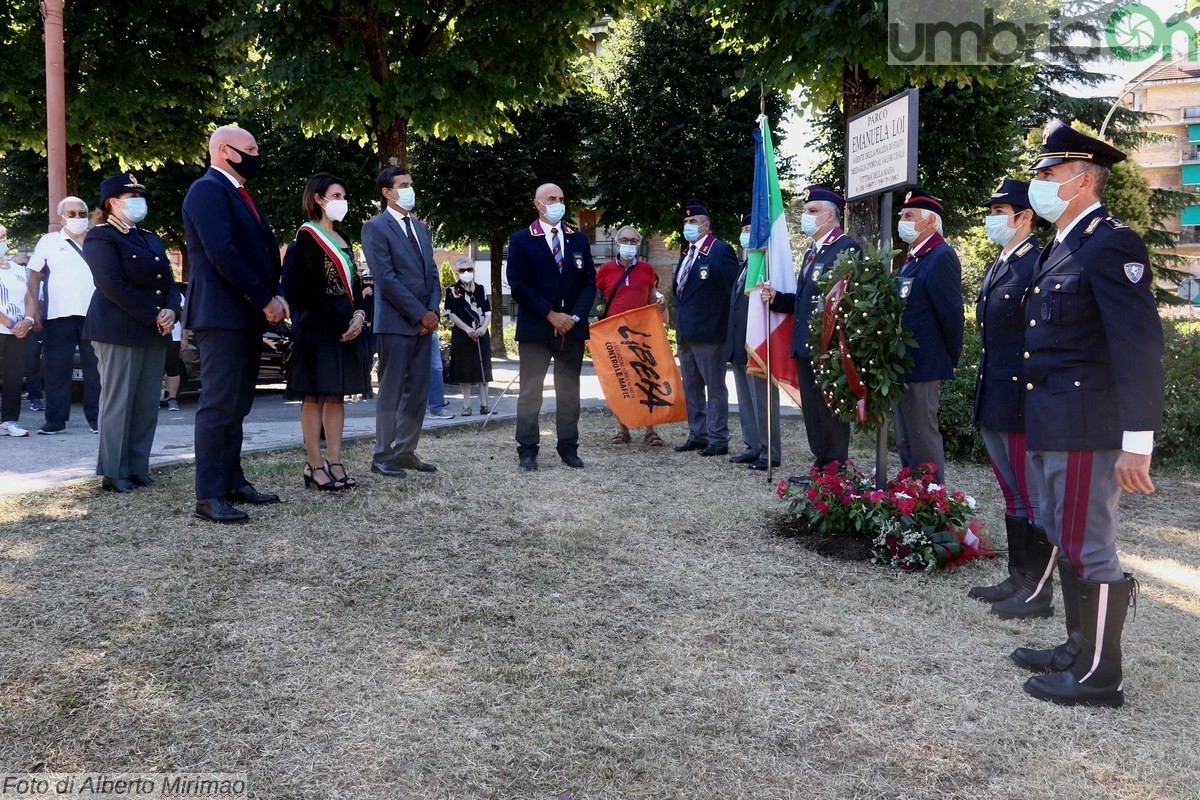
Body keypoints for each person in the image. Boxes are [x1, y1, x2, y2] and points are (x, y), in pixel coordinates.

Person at [1012, 122, 1164, 709]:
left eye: (1048, 174)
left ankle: (1101, 675)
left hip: (1087, 426)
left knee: (1089, 544)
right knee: (1064, 537)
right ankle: (1080, 648)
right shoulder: (1064, 243)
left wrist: (1138, 439)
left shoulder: (1111, 242)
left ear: (1082, 180)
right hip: (1054, 420)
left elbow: (1137, 344)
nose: (1039, 184)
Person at [182, 125, 286, 523]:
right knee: (218, 405)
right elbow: (222, 252)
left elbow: (255, 251)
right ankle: (208, 495)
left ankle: (231, 481)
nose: (258, 154)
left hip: (242, 315)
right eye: (252, 148)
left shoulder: (238, 192)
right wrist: (265, 298)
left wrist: (273, 294)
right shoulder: (208, 189)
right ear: (225, 151)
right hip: (222, 314)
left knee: (238, 404)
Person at [965, 179, 1051, 621]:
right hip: (995, 393)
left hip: (1020, 397)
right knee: (1012, 492)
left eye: (1001, 211)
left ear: (1025, 217)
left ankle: (1037, 590)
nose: (992, 218)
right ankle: (1018, 577)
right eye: (991, 210)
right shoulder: (1001, 262)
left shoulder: (1035, 263)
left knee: (1031, 495)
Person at [82, 174, 182, 491]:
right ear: (113, 202)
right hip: (119, 330)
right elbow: (111, 285)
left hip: (154, 330)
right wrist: (154, 314)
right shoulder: (102, 237)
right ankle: (114, 471)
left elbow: (168, 281)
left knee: (146, 403)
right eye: (132, 196)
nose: (139, 203)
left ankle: (137, 466)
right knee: (119, 403)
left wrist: (172, 310)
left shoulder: (150, 238)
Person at [281, 172, 372, 491]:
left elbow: (359, 284)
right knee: (315, 397)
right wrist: (339, 323)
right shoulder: (306, 238)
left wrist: (359, 315)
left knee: (336, 397)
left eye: (344, 196)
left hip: (348, 326)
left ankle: (335, 461)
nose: (342, 202)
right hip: (319, 330)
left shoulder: (344, 238)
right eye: (336, 196)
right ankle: (314, 465)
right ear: (318, 199)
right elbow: (304, 290)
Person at [763, 186, 860, 479]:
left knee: (829, 410)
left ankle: (835, 468)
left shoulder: (846, 248)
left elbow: (845, 300)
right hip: (806, 344)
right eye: (807, 211)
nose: (806, 216)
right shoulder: (812, 251)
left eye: (812, 211)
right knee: (813, 411)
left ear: (831, 216)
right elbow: (806, 299)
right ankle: (821, 465)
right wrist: (778, 298)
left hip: (828, 346)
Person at [506, 182, 597, 470]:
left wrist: (573, 318)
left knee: (569, 392)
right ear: (538, 204)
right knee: (531, 392)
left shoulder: (577, 240)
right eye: (551, 198)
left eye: (561, 198)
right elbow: (518, 285)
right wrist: (550, 314)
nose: (558, 202)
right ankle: (528, 449)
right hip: (536, 329)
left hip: (572, 329)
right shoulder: (521, 240)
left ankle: (569, 448)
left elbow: (589, 284)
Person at [361, 165, 441, 476]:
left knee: (418, 391)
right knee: (392, 390)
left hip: (425, 324)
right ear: (387, 192)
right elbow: (387, 279)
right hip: (396, 323)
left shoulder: (421, 228)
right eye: (403, 184)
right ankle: (383, 454)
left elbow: (432, 274)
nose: (409, 189)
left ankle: (406, 450)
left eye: (410, 183)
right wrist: (419, 313)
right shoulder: (375, 227)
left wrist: (431, 312)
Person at [892, 187, 964, 484]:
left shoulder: (940, 256)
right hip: (903, 364)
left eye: (909, 215)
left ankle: (931, 500)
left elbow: (951, 314)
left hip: (924, 363)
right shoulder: (913, 258)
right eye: (902, 215)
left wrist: (951, 357)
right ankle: (910, 495)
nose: (903, 221)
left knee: (922, 437)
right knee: (905, 437)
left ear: (930, 222)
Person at [27, 196, 101, 435]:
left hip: (94, 314)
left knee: (97, 369)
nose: (78, 217)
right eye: (72, 213)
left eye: (82, 213)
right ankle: (55, 420)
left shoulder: (98, 239)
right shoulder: (49, 241)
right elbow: (34, 275)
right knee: (56, 368)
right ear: (61, 217)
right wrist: (34, 310)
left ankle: (97, 418)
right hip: (58, 315)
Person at [672, 200, 739, 456]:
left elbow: (732, 291)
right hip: (686, 332)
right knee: (691, 387)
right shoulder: (687, 253)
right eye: (686, 222)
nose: (689, 226)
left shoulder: (720, 251)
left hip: (711, 333)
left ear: (706, 225)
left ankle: (718, 438)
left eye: (694, 221)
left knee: (715, 388)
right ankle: (697, 434)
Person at [594, 225, 665, 446]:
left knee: (647, 382)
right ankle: (623, 429)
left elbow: (652, 297)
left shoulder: (647, 269)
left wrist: (660, 305)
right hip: (614, 337)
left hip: (643, 335)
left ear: (638, 244)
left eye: (633, 241)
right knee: (620, 382)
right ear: (616, 243)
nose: (628, 244)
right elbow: (595, 302)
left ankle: (650, 431)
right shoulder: (605, 270)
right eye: (624, 240)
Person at [727, 211, 780, 470]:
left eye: (752, 229)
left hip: (759, 345)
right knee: (745, 400)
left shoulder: (769, 265)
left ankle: (770, 450)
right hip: (740, 344)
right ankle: (752, 446)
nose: (747, 234)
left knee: (763, 399)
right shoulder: (745, 266)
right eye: (744, 229)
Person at [444, 255, 494, 415]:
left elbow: (488, 312)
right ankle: (466, 406)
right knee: (463, 369)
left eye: (469, 269)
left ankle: (484, 404)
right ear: (457, 272)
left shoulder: (481, 289)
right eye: (462, 270)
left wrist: (484, 328)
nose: (466, 272)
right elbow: (450, 314)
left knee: (483, 368)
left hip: (481, 333)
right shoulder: (452, 291)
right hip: (462, 334)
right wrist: (467, 329)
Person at [0, 225, 36, 437]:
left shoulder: (16, 268)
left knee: (14, 377)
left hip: (19, 332)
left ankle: (9, 420)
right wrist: (12, 324)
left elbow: (29, 298)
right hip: (7, 328)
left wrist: (28, 321)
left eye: (2, 236)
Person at [161, 291, 184, 412]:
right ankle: (154, 400)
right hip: (157, 335)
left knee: (172, 368)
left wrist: (184, 338)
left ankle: (172, 399)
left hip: (174, 337)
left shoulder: (177, 295)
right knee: (155, 369)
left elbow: (183, 316)